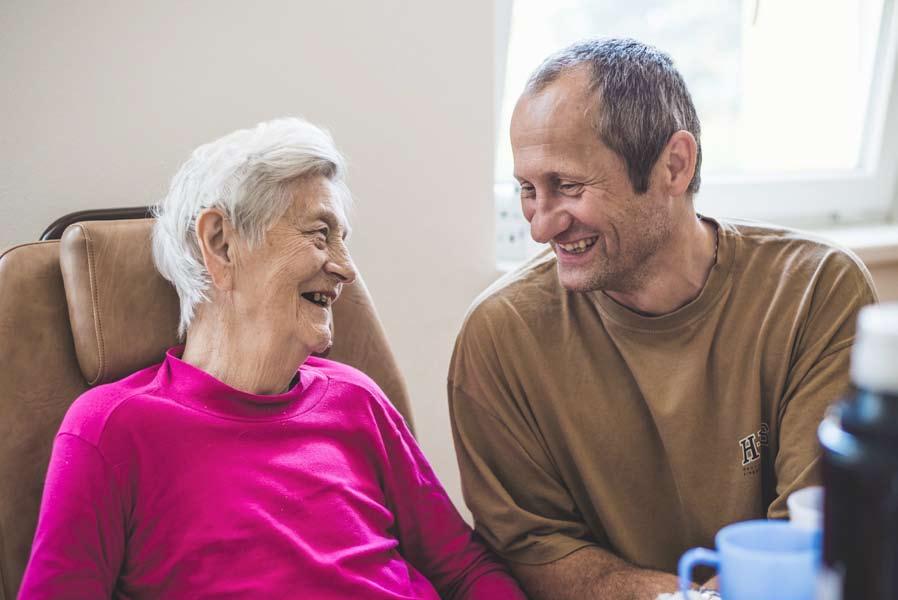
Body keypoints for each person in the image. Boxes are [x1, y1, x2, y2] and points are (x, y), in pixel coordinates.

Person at [20, 118, 525, 599]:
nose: (346, 270)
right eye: (319, 233)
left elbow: (465, 569)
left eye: (343, 241)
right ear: (220, 243)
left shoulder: (357, 399)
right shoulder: (112, 430)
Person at [448, 38, 878, 599]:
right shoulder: (498, 338)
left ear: (674, 164)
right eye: (528, 190)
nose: (540, 225)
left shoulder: (818, 292)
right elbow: (535, 550)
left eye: (569, 186)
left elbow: (812, 533)